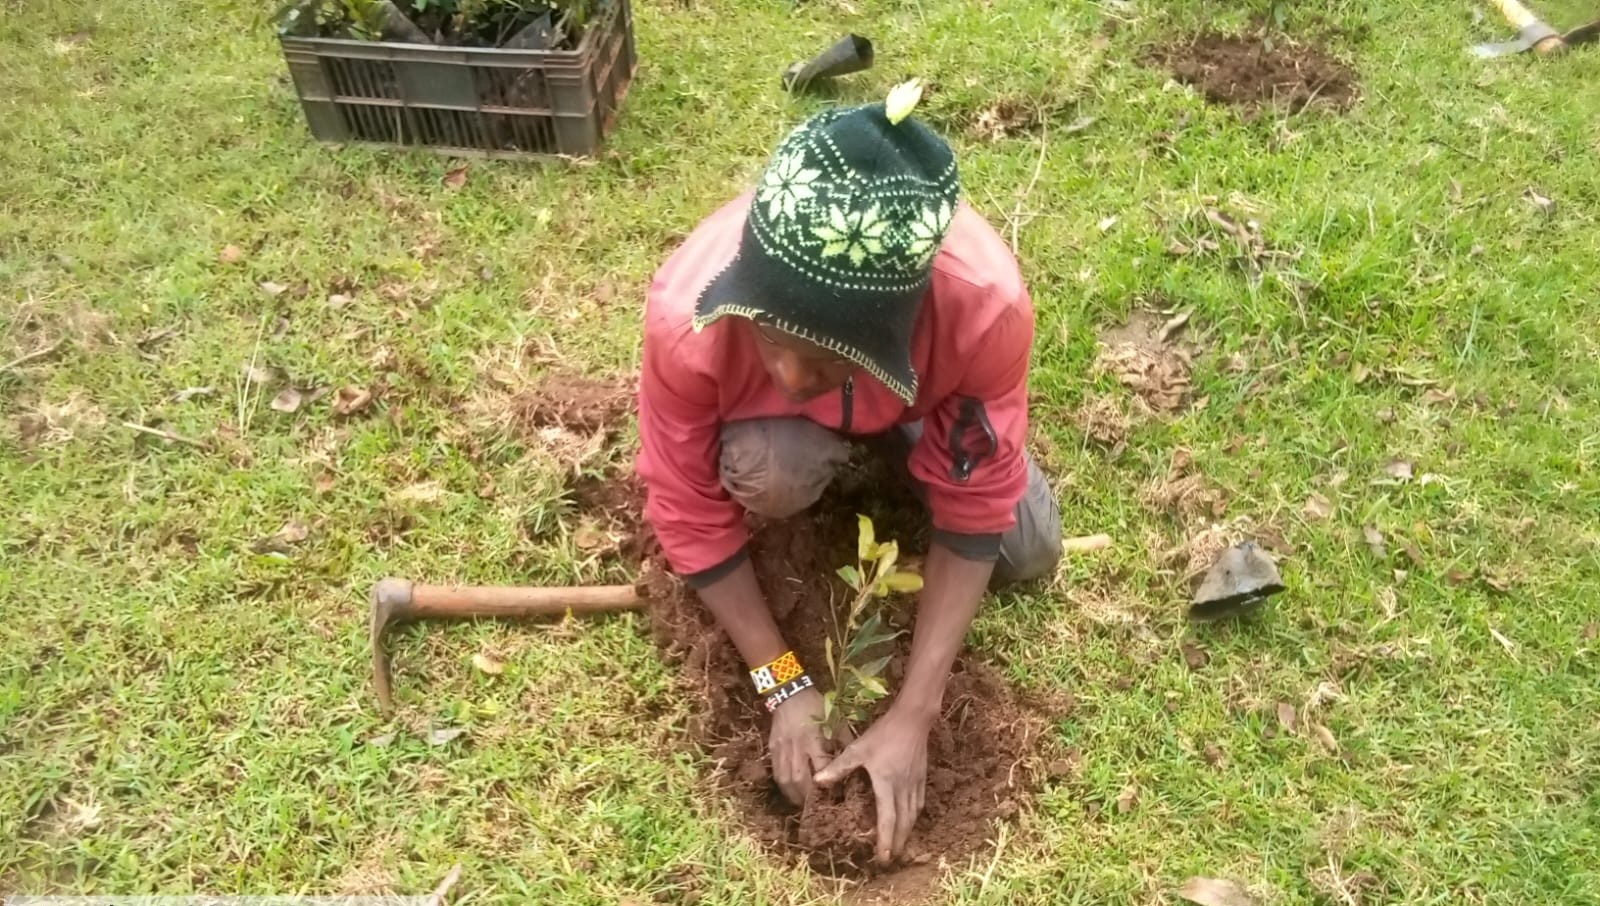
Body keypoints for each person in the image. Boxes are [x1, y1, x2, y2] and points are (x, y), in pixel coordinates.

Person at [635, 86, 1062, 864]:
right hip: (782, 441)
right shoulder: (687, 315)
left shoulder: (983, 307)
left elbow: (977, 505)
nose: (792, 374)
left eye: (827, 358)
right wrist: (783, 680)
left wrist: (914, 712)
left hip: (911, 400)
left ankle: (905, 448)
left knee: (1026, 548)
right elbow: (686, 509)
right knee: (770, 474)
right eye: (771, 336)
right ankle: (840, 458)